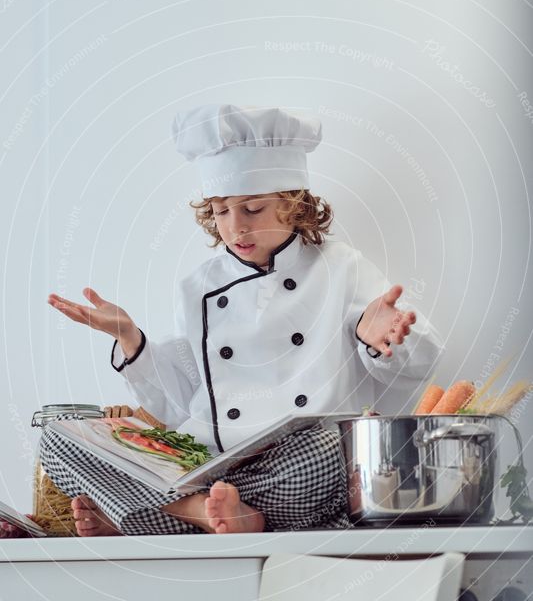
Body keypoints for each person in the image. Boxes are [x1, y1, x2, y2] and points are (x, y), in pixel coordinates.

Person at [43, 104, 444, 537]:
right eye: (220, 211)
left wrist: (378, 337)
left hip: (291, 470)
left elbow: (421, 362)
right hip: (204, 468)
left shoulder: (341, 267)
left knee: (329, 449)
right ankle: (201, 511)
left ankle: (156, 516)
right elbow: (177, 405)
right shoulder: (197, 286)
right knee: (61, 439)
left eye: (252, 209)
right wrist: (129, 338)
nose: (236, 228)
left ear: (294, 205)